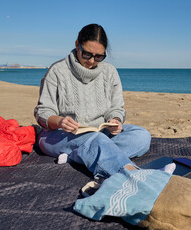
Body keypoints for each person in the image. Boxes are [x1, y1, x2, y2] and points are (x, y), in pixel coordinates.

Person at [34, 24, 173, 186]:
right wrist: (59, 121)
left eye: (99, 56)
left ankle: (78, 156)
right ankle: (136, 177)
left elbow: (116, 107)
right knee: (95, 140)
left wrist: (115, 120)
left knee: (141, 136)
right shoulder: (57, 71)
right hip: (60, 136)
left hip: (100, 132)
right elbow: (42, 112)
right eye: (87, 54)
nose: (92, 61)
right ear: (77, 44)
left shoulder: (110, 72)